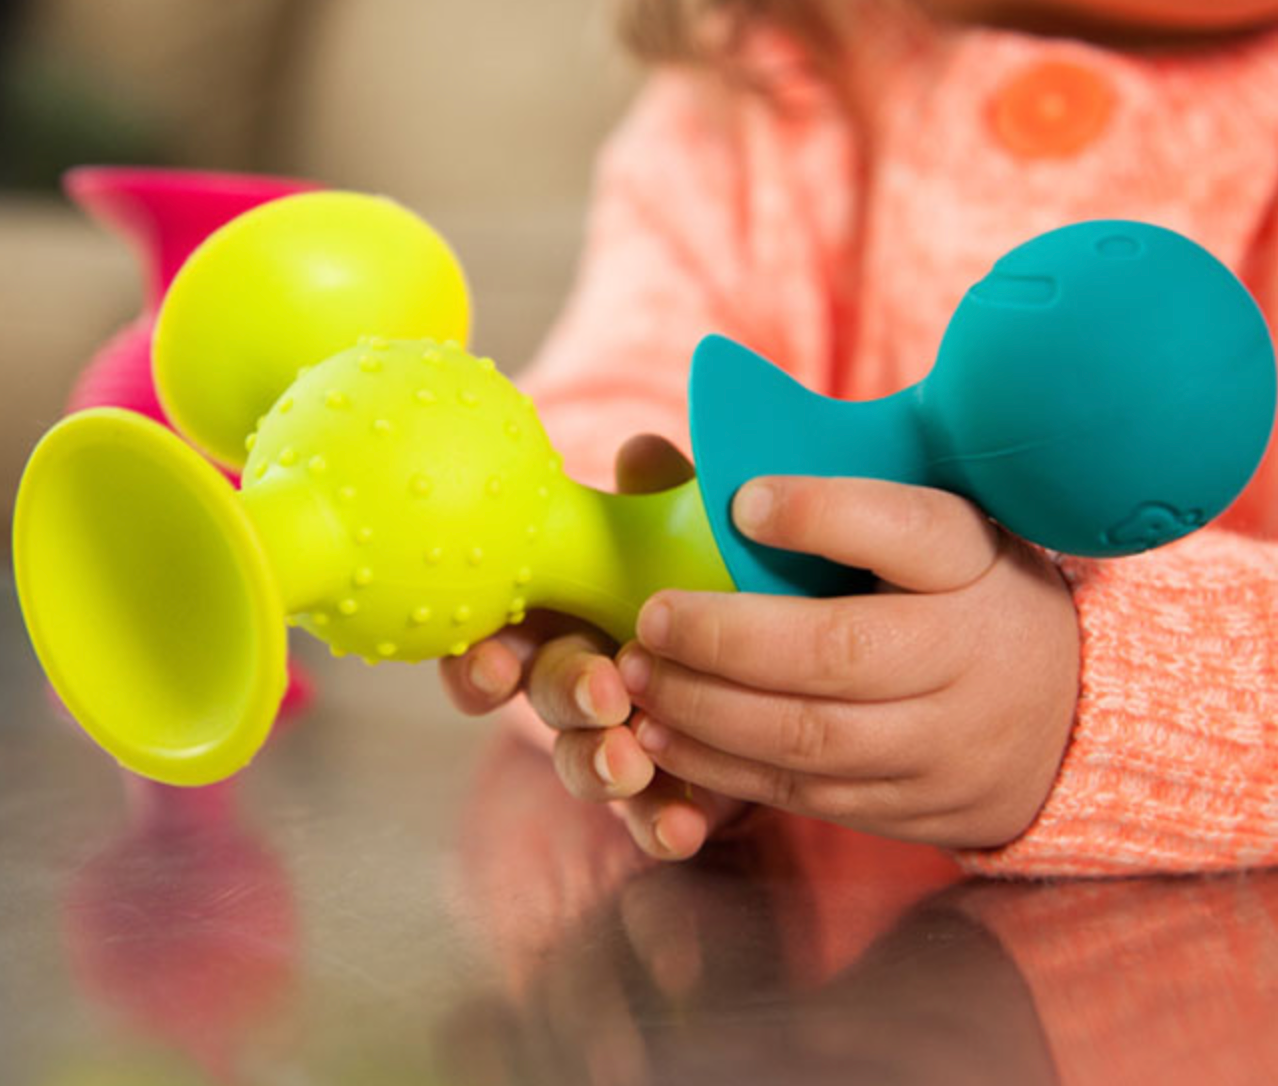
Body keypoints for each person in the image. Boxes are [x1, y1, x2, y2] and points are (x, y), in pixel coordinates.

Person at [441, 0, 1278, 876]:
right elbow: (606, 413)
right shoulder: (761, 75)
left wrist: (1096, 702)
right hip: (788, 919)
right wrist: (673, 663)